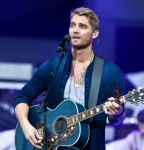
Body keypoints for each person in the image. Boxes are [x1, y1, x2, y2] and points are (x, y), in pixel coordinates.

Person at [13, 7, 126, 150]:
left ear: (94, 34)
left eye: (82, 26)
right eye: (73, 25)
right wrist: (26, 125)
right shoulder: (54, 65)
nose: (75, 30)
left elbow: (118, 120)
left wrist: (118, 112)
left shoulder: (110, 72)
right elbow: (22, 96)